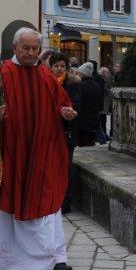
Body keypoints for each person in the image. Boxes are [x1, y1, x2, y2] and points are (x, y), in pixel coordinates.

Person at [0, 28, 76, 270]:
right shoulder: (1, 75)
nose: (30, 53)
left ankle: (53, 258)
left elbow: (62, 103)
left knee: (47, 199)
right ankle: (13, 258)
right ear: (15, 48)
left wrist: (65, 113)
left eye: (35, 48)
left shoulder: (46, 76)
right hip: (10, 153)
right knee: (11, 198)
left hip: (43, 151)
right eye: (25, 48)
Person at [50, 54, 81, 215]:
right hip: (50, 132)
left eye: (62, 66)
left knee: (65, 166)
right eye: (56, 66)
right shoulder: (47, 82)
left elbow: (76, 106)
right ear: (51, 67)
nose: (59, 69)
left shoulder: (72, 84)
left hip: (67, 131)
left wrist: (67, 111)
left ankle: (65, 202)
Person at [75, 62, 102, 147]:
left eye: (79, 73)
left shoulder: (80, 85)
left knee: (82, 142)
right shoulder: (96, 85)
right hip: (94, 117)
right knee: (90, 141)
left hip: (82, 118)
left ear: (83, 74)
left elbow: (79, 102)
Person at [99, 65, 114, 142]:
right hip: (106, 100)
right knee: (103, 118)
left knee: (103, 118)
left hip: (105, 100)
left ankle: (105, 134)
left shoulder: (105, 79)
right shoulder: (107, 79)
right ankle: (106, 134)